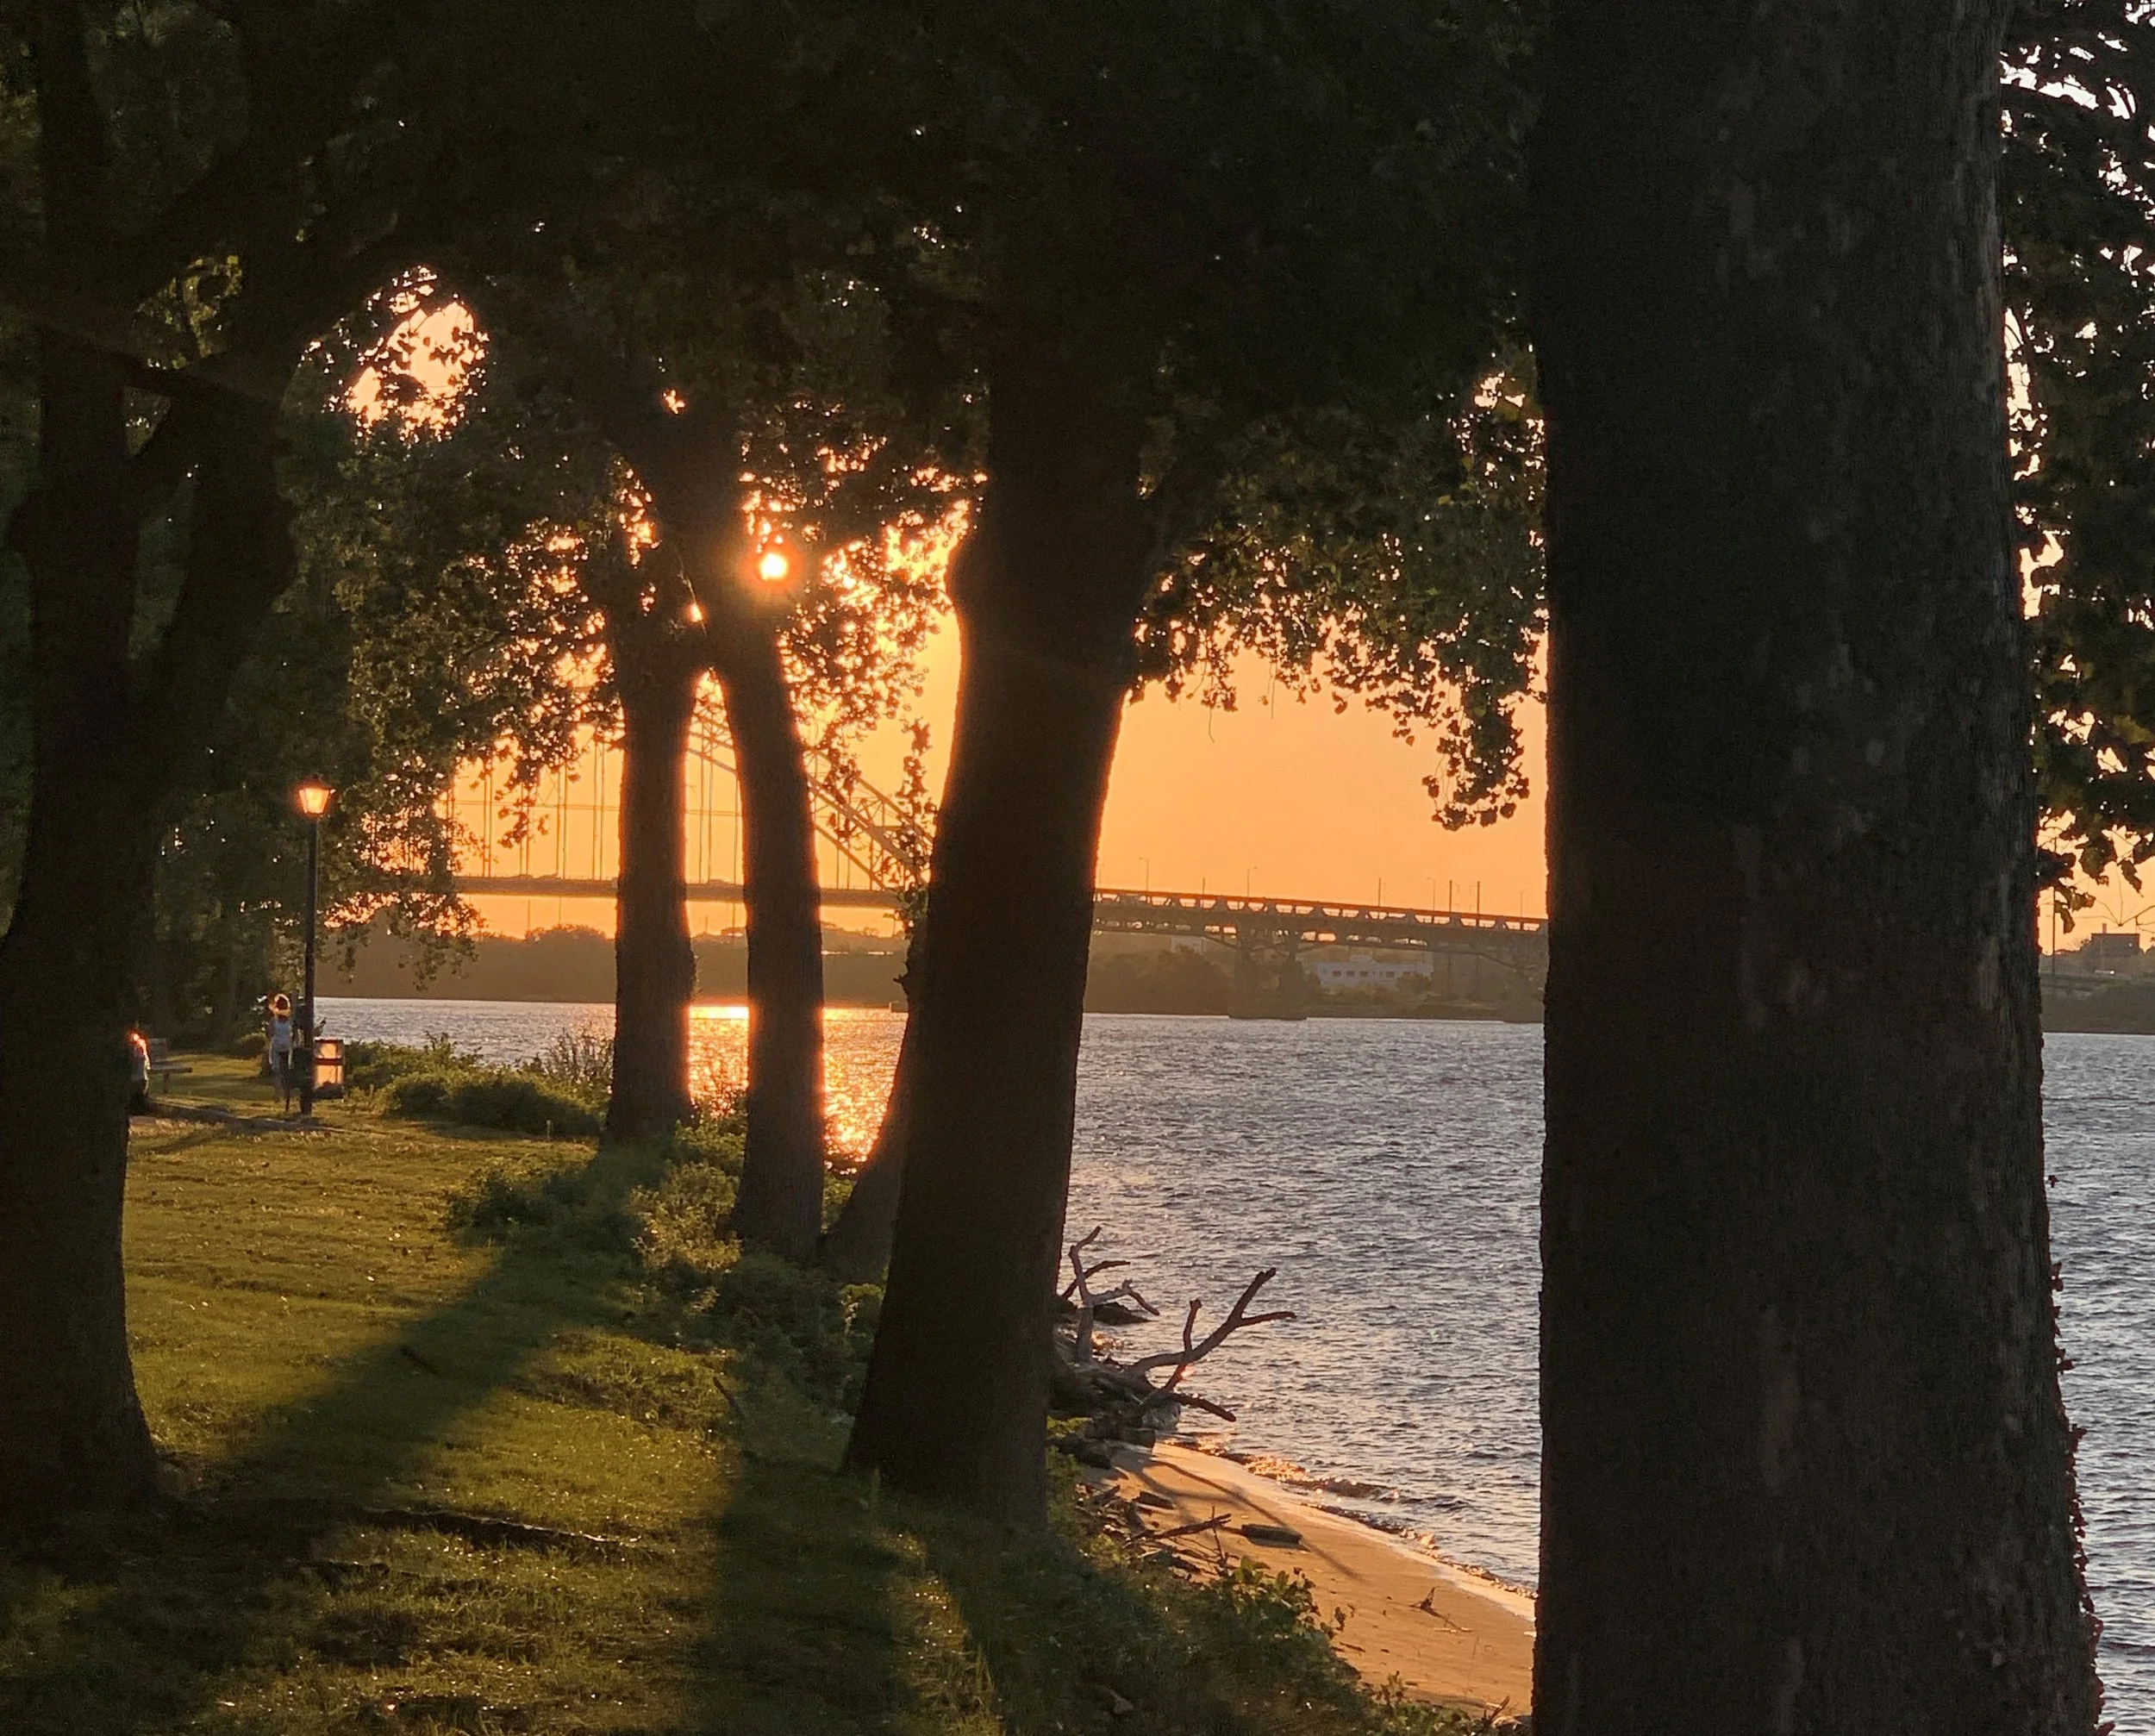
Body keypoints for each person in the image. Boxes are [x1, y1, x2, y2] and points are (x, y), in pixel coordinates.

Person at [267, 994, 296, 1113]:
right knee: (281, 1071)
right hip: (282, 1047)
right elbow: (271, 1034)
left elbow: (270, 1034)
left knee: (280, 1071)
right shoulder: (282, 1021)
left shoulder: (279, 1020)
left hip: (282, 1047)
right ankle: (281, 1093)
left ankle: (281, 1094)